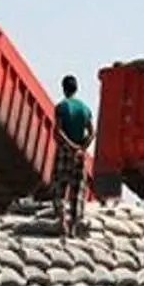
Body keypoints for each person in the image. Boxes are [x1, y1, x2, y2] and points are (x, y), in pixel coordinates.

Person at [52, 74, 95, 237]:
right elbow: (92, 132)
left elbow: (58, 130)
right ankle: (74, 226)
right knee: (78, 191)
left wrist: (70, 146)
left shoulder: (62, 107)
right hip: (80, 155)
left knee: (59, 187)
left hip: (65, 152)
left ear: (63, 89)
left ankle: (62, 221)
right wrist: (81, 147)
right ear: (76, 88)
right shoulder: (85, 109)